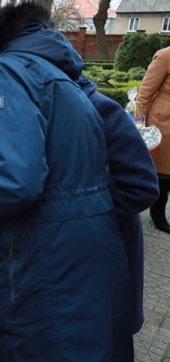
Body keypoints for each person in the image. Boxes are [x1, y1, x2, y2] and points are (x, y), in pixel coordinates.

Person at [0, 0, 134, 360]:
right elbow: (129, 179)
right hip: (85, 261)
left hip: (50, 270)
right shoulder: (46, 70)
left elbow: (13, 181)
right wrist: (85, 215)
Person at [73, 72, 158, 334]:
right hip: (86, 253)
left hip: (106, 246)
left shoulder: (95, 107)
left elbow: (141, 186)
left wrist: (75, 213)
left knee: (104, 327)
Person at [136, 46, 170, 233]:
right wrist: (138, 123)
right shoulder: (166, 55)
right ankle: (157, 212)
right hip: (164, 122)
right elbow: (144, 94)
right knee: (161, 172)